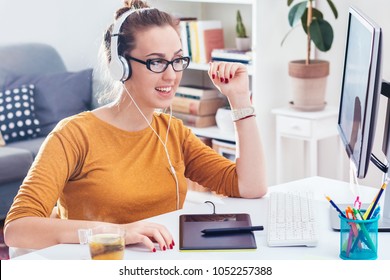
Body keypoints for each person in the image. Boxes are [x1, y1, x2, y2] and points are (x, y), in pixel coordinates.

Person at [4, 0, 267, 253]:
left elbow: (250, 187)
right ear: (120, 67)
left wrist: (240, 100)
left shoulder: (173, 133)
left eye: (177, 60)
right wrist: (117, 232)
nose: (171, 75)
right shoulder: (73, 135)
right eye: (156, 62)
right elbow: (17, 229)